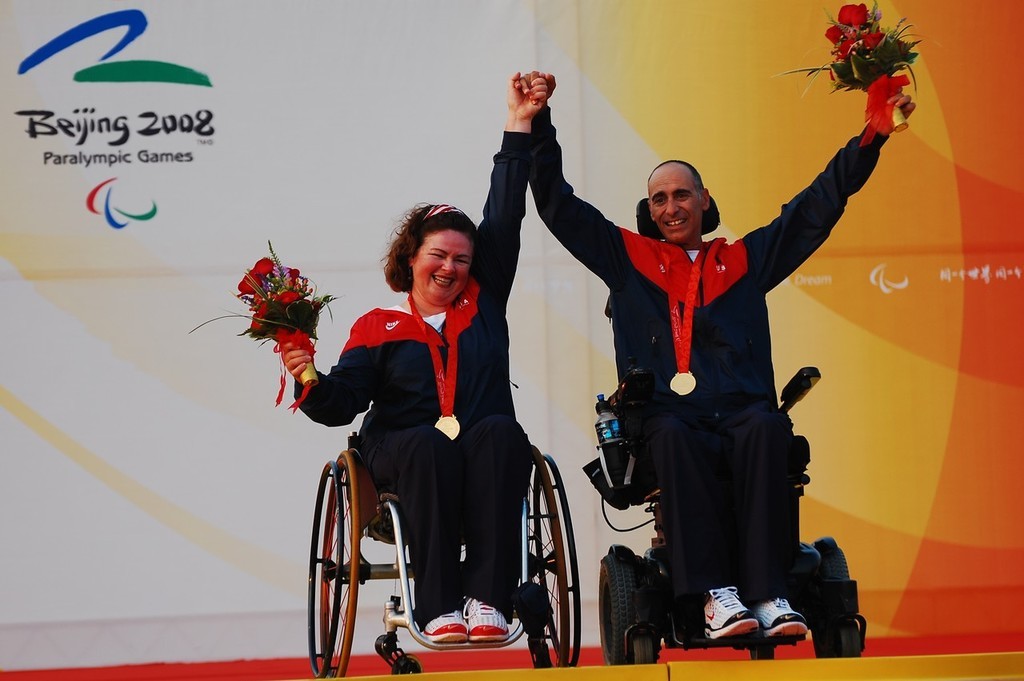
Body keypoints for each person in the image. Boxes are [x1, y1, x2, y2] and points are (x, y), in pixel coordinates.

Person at [526, 72, 914, 639]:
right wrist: (540, 121)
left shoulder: (744, 261)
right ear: (648, 209)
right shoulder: (626, 258)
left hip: (739, 408)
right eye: (659, 198)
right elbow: (557, 205)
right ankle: (714, 597)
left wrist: (871, 138)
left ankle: (770, 596)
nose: (671, 206)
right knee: (675, 437)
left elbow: (817, 206)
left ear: (705, 201)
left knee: (765, 428)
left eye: (682, 194)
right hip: (668, 416)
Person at [280, 72, 550, 644]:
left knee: (504, 432)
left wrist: (519, 122)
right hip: (403, 453)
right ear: (411, 257)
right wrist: (306, 371)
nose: (450, 268)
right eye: (437, 255)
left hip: (477, 445)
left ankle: (487, 601)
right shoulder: (377, 327)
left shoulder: (483, 302)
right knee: (428, 442)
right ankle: (437, 605)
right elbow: (342, 404)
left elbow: (505, 212)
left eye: (461, 258)